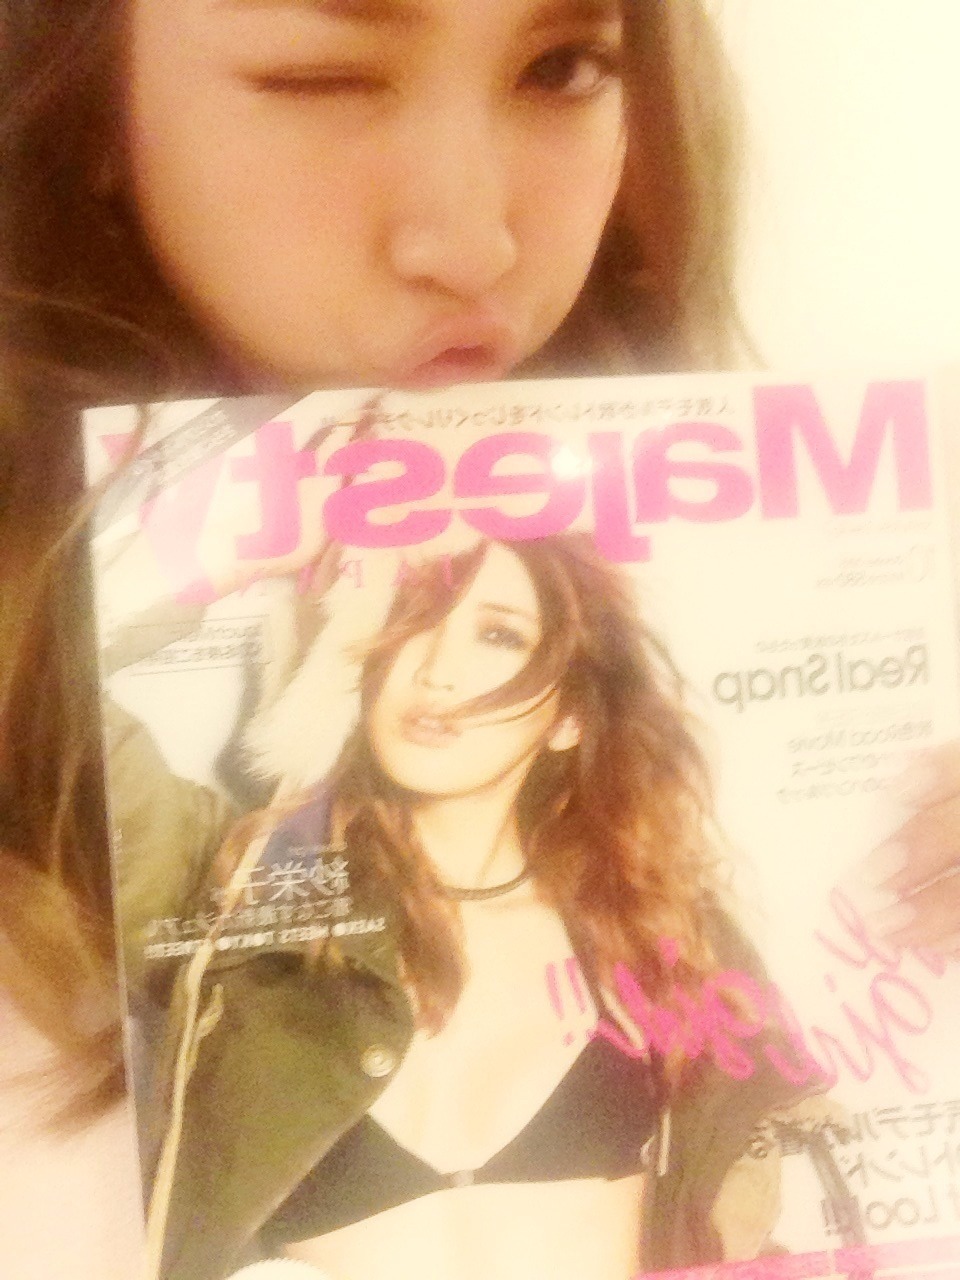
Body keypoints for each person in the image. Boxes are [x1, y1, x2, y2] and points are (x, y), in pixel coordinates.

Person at [0, 0, 957, 1274]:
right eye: (324, 77)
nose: (475, 240)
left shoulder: (681, 921)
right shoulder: (218, 867)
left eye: (561, 68)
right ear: (89, 114)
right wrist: (198, 547)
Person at [109, 531, 845, 1280]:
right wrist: (234, 552)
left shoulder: (654, 928)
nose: (437, 668)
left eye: (498, 635)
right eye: (410, 619)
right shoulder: (241, 890)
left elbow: (741, 1209)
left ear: (571, 716)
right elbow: (49, 694)